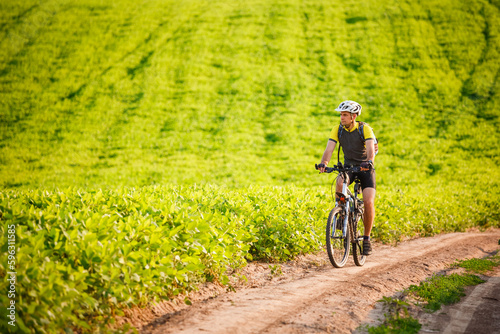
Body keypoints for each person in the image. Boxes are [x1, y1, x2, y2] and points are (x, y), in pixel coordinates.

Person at [317, 100, 377, 255]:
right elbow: (329, 148)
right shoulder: (338, 129)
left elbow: (371, 149)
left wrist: (369, 162)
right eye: (341, 114)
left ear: (353, 116)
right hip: (349, 167)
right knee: (339, 181)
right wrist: (324, 163)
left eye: (345, 115)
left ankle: (366, 239)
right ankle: (341, 211)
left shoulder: (365, 129)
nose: (341, 118)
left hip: (365, 168)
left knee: (369, 201)